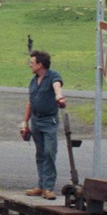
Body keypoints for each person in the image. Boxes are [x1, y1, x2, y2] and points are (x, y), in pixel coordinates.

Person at [21, 50, 66, 200]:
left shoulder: (53, 76)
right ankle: (41, 186)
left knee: (49, 152)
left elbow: (57, 86)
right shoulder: (33, 81)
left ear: (40, 64)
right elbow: (30, 102)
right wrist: (24, 122)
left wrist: (59, 96)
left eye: (32, 63)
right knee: (40, 154)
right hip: (36, 121)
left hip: (49, 121)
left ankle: (48, 188)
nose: (30, 65)